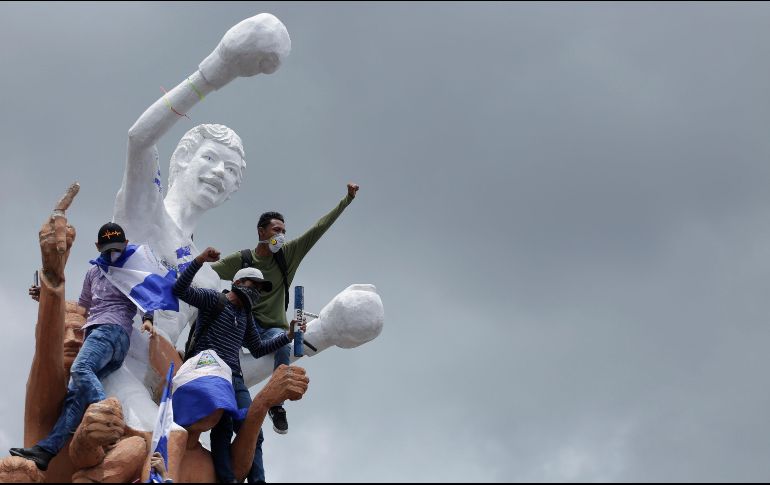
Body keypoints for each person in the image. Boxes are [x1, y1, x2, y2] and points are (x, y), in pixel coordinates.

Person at [212, 182, 359, 435]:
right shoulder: (243, 260)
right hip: (244, 323)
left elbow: (318, 229)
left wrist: (347, 199)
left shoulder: (287, 255)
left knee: (282, 344)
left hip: (271, 328)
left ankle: (276, 406)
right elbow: (207, 275)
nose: (280, 235)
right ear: (261, 231)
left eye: (283, 231)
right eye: (275, 230)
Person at [9, 221, 152, 472]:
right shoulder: (93, 272)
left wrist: (149, 318)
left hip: (111, 331)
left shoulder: (130, 268)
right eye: (107, 248)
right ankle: (46, 451)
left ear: (126, 245)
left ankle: (108, 412)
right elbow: (83, 308)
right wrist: (45, 298)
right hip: (97, 333)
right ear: (98, 246)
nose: (112, 253)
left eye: (117, 248)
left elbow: (146, 293)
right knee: (75, 397)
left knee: (80, 368)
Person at [173, 247, 306, 483]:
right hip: (210, 374)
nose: (256, 292)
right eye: (252, 285)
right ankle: (226, 479)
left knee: (253, 430)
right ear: (237, 281)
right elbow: (180, 289)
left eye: (260, 289)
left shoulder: (245, 316)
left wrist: (288, 336)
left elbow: (257, 348)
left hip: (234, 378)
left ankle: (258, 479)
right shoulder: (215, 299)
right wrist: (199, 260)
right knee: (222, 431)